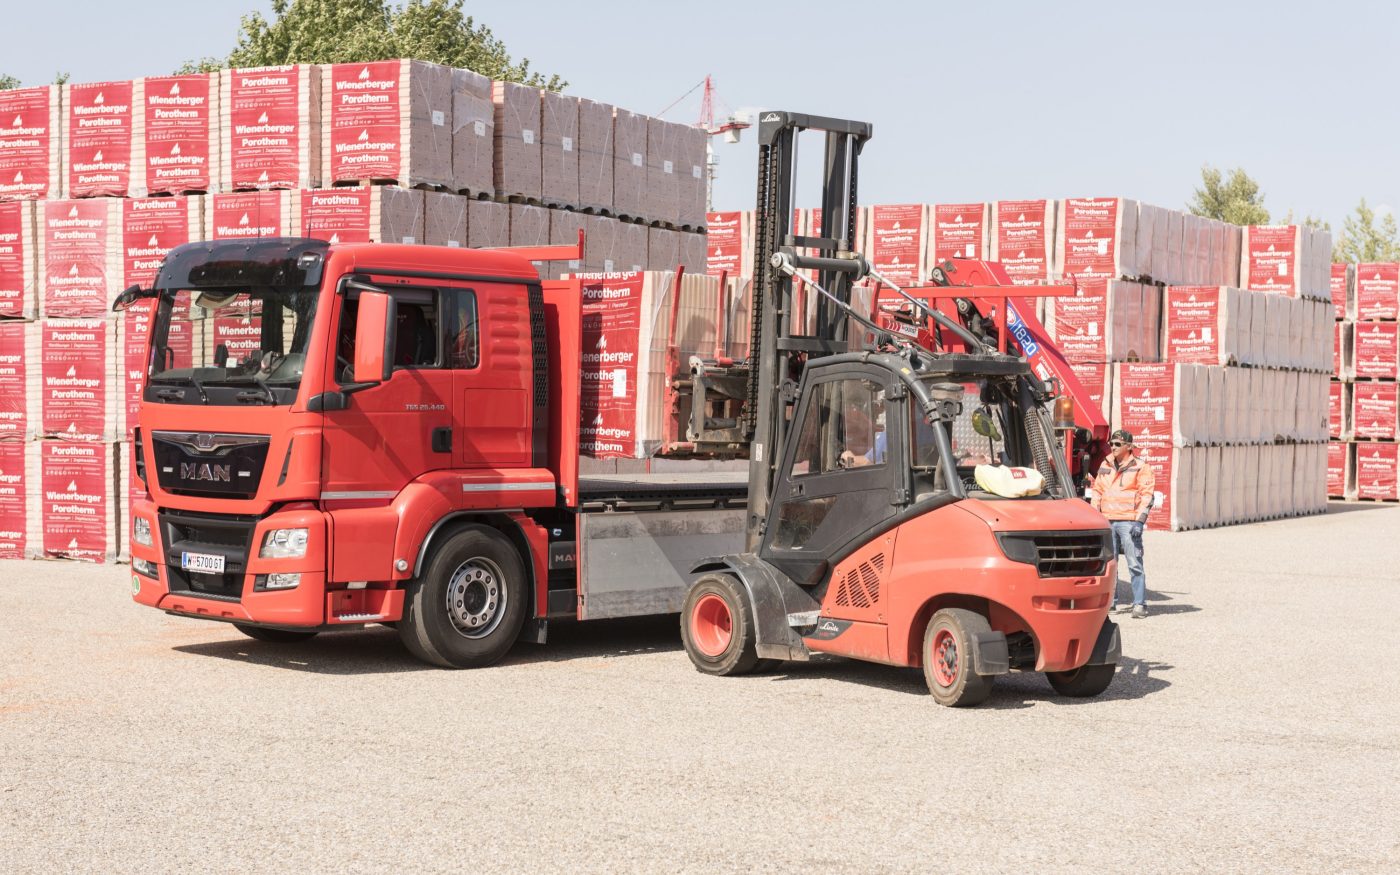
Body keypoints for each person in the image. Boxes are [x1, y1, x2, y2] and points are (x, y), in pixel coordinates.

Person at [1089, 429, 1155, 618]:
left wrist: (1139, 521)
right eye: (1112, 443)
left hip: (1128, 522)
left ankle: (1140, 605)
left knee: (1134, 564)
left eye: (1118, 444)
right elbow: (1097, 491)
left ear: (1129, 447)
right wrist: (1095, 518)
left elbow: (1147, 495)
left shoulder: (1141, 467)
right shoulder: (1106, 464)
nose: (1113, 447)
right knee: (1111, 565)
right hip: (1108, 521)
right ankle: (1111, 603)